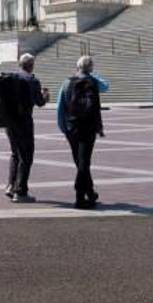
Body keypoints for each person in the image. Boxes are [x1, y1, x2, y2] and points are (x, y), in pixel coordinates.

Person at [57, 55, 108, 209]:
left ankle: (90, 193)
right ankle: (80, 197)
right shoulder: (93, 82)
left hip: (72, 127)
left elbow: (61, 107)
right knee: (84, 162)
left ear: (77, 66)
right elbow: (106, 86)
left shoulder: (67, 82)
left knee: (80, 162)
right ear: (91, 68)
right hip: (89, 127)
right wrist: (91, 73)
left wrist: (63, 127)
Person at [0, 53, 49, 203]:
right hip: (24, 121)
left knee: (15, 153)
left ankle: (10, 186)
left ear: (20, 64)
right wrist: (45, 96)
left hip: (9, 121)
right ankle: (20, 192)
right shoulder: (32, 81)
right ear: (31, 65)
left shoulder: (10, 78)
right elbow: (39, 102)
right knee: (26, 156)